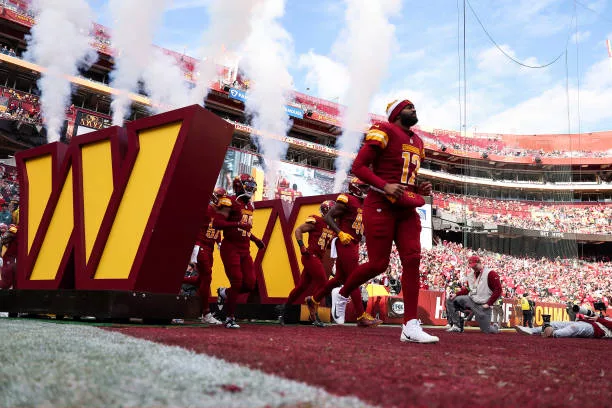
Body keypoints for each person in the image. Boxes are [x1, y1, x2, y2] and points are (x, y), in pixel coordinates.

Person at [331, 99, 437, 343]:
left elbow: (406, 177)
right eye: (410, 107)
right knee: (379, 264)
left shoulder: (418, 142)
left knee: (412, 259)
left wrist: (419, 188)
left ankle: (410, 325)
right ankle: (344, 292)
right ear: (397, 113)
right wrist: (384, 185)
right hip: (380, 203)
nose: (415, 110)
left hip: (407, 206)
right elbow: (358, 167)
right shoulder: (385, 130)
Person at [306, 178, 382, 328]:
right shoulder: (348, 199)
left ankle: (314, 299)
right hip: (345, 241)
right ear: (355, 187)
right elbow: (328, 217)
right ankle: (361, 315)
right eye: (364, 186)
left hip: (354, 243)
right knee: (354, 277)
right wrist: (340, 233)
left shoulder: (363, 204)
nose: (367, 190)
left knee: (340, 278)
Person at [214, 174, 265, 329]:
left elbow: (245, 230)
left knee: (249, 284)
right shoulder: (230, 201)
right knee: (236, 281)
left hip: (245, 249)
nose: (251, 189)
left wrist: (255, 240)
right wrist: (236, 223)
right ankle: (229, 318)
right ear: (238, 186)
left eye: (252, 186)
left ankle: (224, 293)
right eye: (247, 186)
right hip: (230, 247)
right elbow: (217, 223)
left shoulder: (249, 206)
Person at [275, 200, 336, 326]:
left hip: (317, 258)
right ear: (327, 210)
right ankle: (313, 310)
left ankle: (284, 307)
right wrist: (302, 246)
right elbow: (298, 230)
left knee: (302, 287)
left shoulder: (332, 227)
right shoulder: (317, 221)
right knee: (324, 284)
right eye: (334, 210)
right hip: (310, 256)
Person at [184, 187, 227, 325]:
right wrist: (194, 245)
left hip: (210, 247)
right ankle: (206, 313)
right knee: (207, 276)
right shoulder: (207, 209)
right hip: (201, 244)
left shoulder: (221, 212)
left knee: (201, 279)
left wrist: (219, 243)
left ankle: (189, 308)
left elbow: (217, 229)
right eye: (221, 197)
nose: (223, 200)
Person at [445, 255, 502, 334]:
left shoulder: (490, 273)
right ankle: (457, 325)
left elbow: (498, 290)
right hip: (471, 300)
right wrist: (456, 294)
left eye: (475, 266)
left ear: (480, 263)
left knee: (486, 330)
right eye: (472, 266)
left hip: (483, 304)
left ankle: (495, 327)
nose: (473, 268)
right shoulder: (471, 275)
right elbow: (468, 289)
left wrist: (489, 304)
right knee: (451, 300)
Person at [515, 315, 612, 339]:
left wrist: (598, 319)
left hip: (597, 330)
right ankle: (531, 330)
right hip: (590, 324)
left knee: (574, 328)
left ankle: (553, 333)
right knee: (556, 323)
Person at [0, 224, 18, 290]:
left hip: (15, 258)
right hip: (9, 258)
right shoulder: (14, 228)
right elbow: (4, 239)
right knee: (6, 283)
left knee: (16, 282)